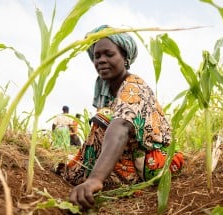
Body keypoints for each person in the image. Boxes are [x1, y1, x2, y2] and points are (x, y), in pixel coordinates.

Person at [60, 25, 184, 209]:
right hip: (134, 157)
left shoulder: (133, 87)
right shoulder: (111, 92)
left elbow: (122, 127)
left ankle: (118, 183)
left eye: (109, 54)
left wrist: (95, 179)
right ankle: (84, 174)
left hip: (153, 163)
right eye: (97, 55)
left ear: (125, 58)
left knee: (105, 118)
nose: (101, 60)